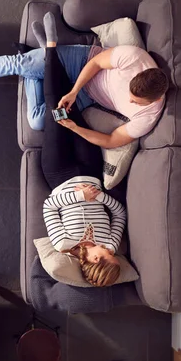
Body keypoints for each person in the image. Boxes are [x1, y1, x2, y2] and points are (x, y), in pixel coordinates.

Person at [0, 13, 169, 149]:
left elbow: (111, 140)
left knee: (37, 121)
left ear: (156, 99)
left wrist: (77, 127)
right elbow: (96, 64)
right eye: (131, 94)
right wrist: (74, 90)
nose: (129, 101)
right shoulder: (135, 58)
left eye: (135, 102)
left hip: (89, 98)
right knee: (18, 64)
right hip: (82, 62)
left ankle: (43, 56)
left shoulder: (148, 117)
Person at [38, 18, 126, 288]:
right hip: (89, 170)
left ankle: (51, 48)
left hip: (60, 173)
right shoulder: (110, 241)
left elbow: (49, 206)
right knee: (69, 111)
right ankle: (49, 56)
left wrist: (78, 196)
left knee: (55, 111)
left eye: (107, 256)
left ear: (96, 261)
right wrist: (99, 196)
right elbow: (119, 213)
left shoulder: (63, 243)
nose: (111, 250)